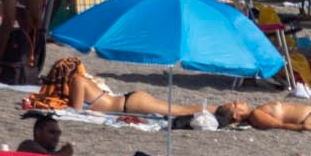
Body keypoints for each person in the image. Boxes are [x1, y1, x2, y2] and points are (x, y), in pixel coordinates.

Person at [24, 57, 207, 119]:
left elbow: (75, 112)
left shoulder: (77, 82)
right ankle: (220, 110)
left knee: (181, 111)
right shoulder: (81, 80)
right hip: (129, 100)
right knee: (178, 110)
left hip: (129, 104)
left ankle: (222, 110)